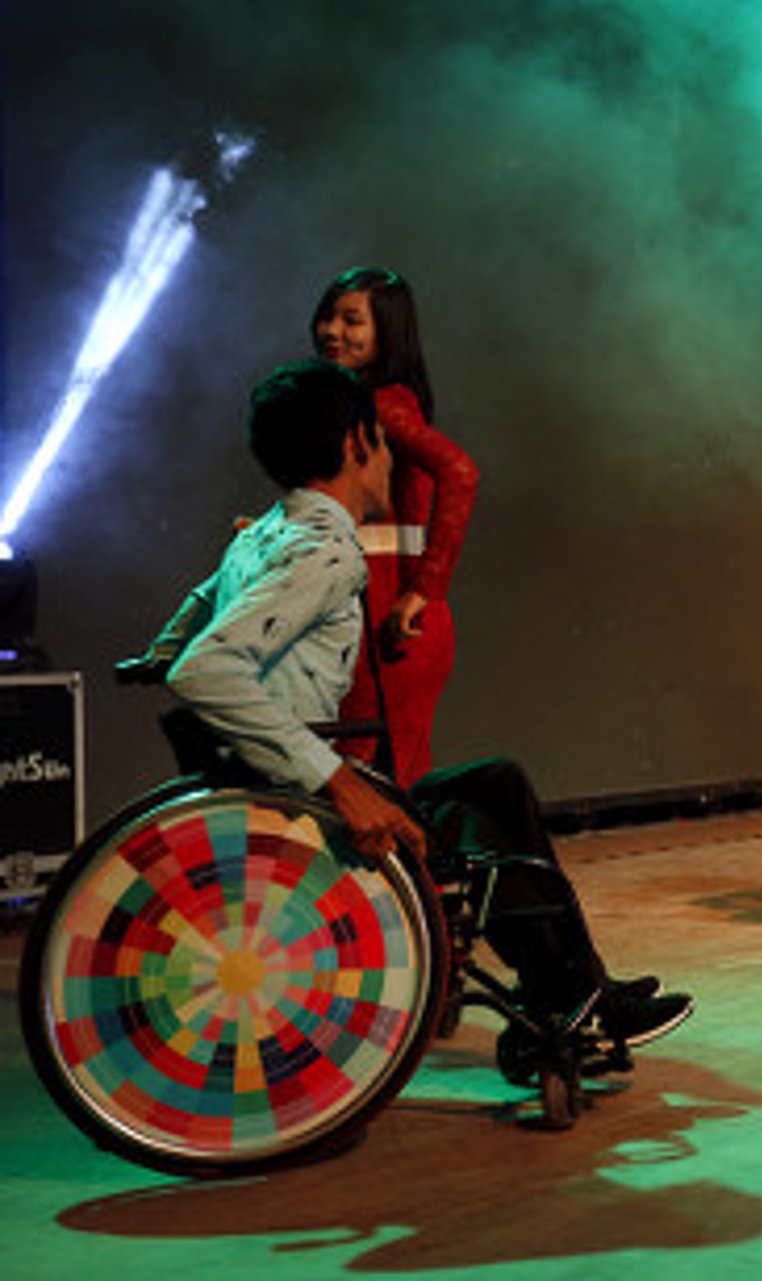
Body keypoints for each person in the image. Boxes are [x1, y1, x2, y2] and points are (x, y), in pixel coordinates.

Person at [145, 360, 689, 1049]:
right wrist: (338, 782)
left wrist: (154, 658)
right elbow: (204, 667)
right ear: (355, 447)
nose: (390, 466)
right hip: (294, 804)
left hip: (268, 778)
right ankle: (567, 999)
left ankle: (577, 990)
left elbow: (189, 623)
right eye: (383, 444)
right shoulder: (329, 553)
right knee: (484, 813)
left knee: (494, 781)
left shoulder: (261, 534)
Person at [313, 267, 478, 788]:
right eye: (328, 316)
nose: (332, 330)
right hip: (374, 607)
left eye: (351, 320)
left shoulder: (383, 403)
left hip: (390, 617)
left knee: (377, 775)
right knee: (380, 770)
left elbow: (461, 472)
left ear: (388, 332)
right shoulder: (361, 402)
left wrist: (424, 590)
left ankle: (414, 872)